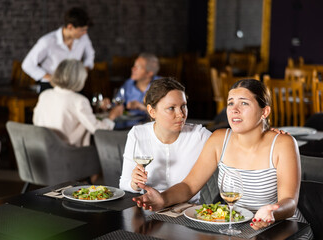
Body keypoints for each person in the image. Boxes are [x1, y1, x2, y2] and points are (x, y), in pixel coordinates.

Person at [132, 79, 311, 233]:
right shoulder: (219, 139)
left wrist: (273, 211)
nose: (234, 109)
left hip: (284, 228)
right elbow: (189, 186)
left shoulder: (283, 143)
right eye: (230, 103)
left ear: (264, 112)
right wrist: (162, 199)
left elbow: (289, 202)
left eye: (244, 103)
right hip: (237, 227)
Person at [119, 77, 212, 203]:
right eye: (171, 108)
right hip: (149, 208)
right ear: (152, 112)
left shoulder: (199, 136)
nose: (181, 114)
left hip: (187, 212)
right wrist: (134, 183)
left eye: (183, 106)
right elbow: (124, 184)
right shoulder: (137, 134)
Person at [33, 59, 123, 148]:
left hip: (44, 151)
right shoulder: (79, 101)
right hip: (70, 154)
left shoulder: (45, 95)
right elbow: (98, 131)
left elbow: (36, 122)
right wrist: (112, 116)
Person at [22, 7, 95, 93]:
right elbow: (27, 64)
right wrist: (51, 78)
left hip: (74, 86)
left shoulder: (83, 38)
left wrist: (84, 70)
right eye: (82, 30)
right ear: (70, 27)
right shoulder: (47, 41)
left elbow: (90, 55)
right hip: (51, 87)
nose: (85, 33)